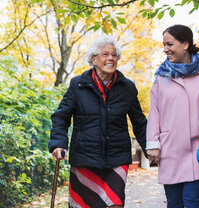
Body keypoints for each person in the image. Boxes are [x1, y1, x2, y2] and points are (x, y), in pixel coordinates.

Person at [48, 35, 147, 208]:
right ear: (94, 59)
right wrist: (58, 143)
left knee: (114, 203)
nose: (111, 58)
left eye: (114, 55)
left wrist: (150, 147)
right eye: (105, 54)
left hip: (116, 158)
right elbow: (61, 117)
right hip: (85, 158)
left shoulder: (127, 87)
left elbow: (139, 122)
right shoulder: (78, 84)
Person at [146, 24, 199, 208]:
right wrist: (153, 144)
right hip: (171, 148)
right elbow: (155, 112)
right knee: (174, 203)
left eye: (169, 44)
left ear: (185, 44)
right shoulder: (162, 76)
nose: (165, 49)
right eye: (164, 45)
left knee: (193, 202)